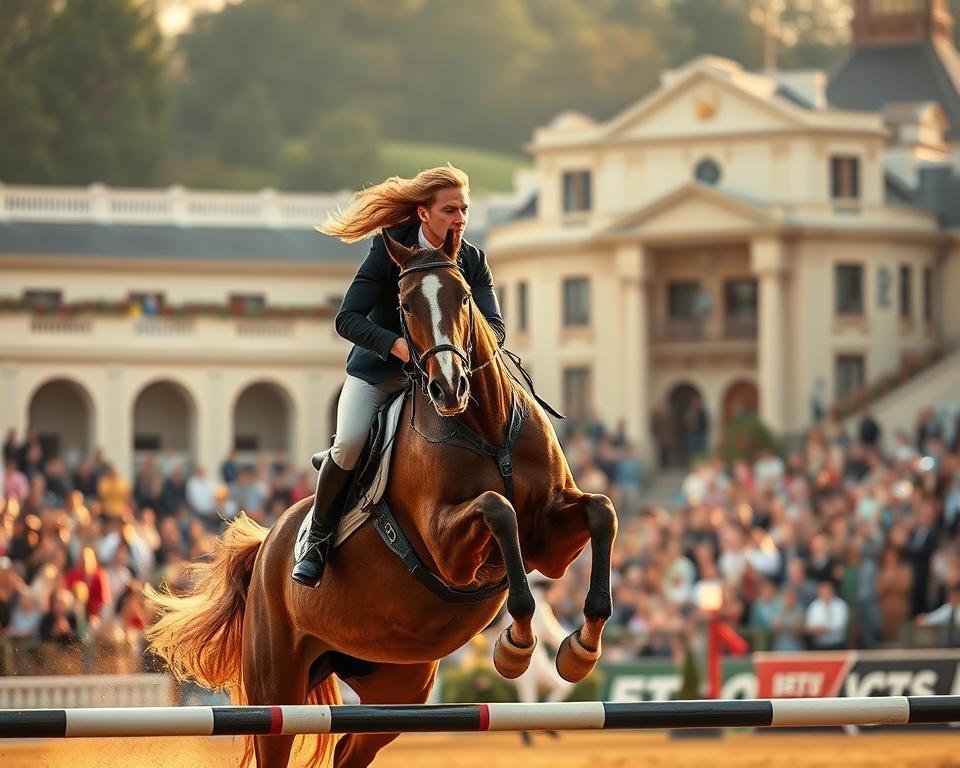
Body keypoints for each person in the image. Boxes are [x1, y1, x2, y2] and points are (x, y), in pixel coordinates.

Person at [292, 165, 506, 587]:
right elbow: (346, 318)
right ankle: (316, 537)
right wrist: (397, 345)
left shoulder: (472, 260)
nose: (460, 218)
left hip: (440, 380)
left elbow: (495, 329)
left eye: (464, 209)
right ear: (424, 214)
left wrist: (454, 353)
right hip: (379, 376)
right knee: (351, 443)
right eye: (450, 209)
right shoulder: (386, 251)